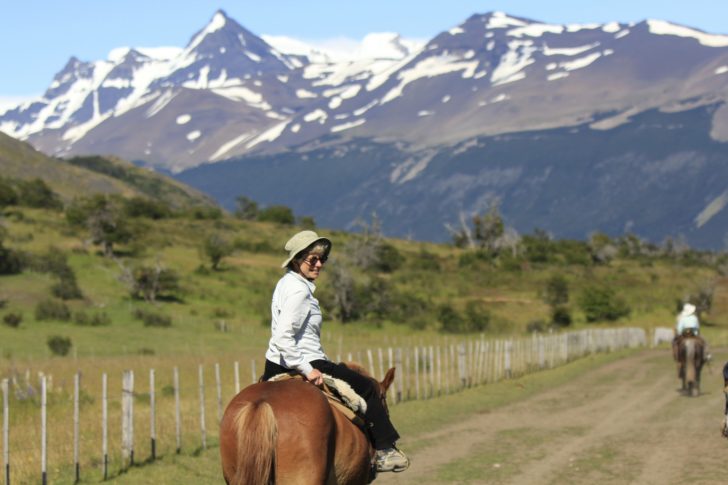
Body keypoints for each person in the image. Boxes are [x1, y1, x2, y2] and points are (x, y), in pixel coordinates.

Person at [261, 230, 410, 473]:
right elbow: (283, 338)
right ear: (297, 259)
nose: (318, 264)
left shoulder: (285, 283)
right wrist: (308, 370)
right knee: (370, 388)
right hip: (306, 361)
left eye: (322, 260)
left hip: (273, 366)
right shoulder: (299, 291)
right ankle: (385, 450)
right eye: (312, 259)